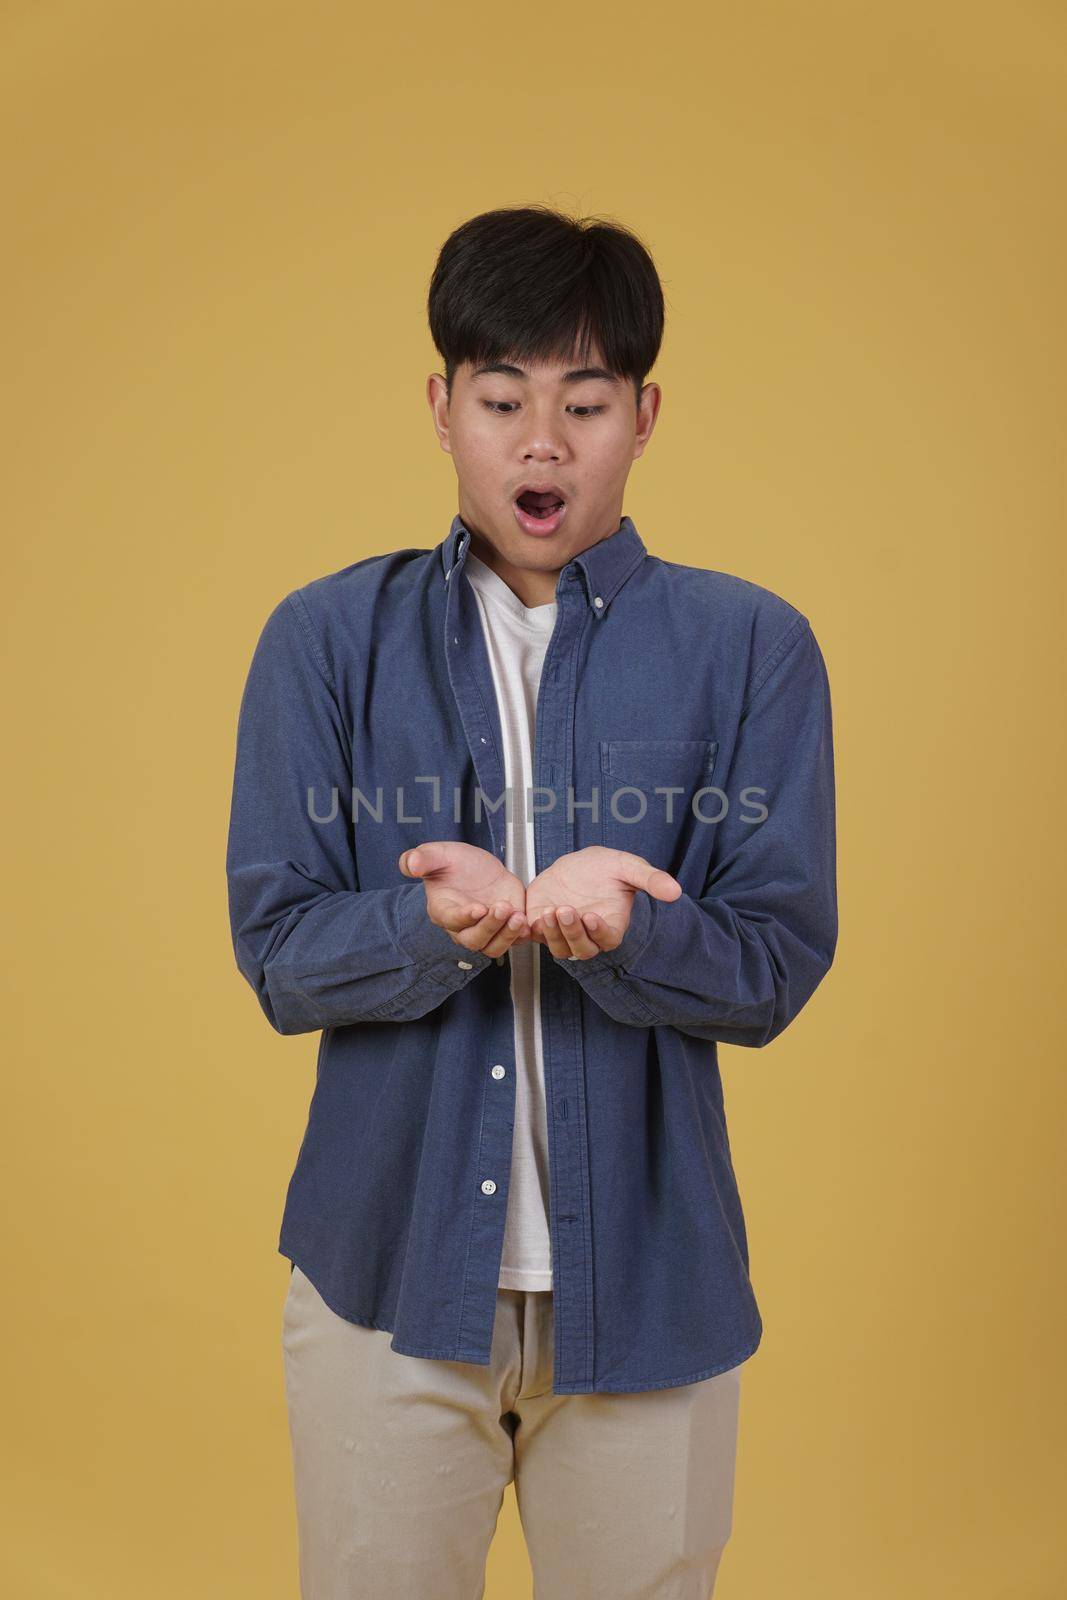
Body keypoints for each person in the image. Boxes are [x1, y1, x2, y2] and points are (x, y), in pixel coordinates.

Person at [225, 203, 838, 1599]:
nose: (542, 442)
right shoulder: (325, 642)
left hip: (656, 1300)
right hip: (381, 1283)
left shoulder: (752, 649)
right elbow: (275, 953)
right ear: (444, 407)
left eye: (585, 401)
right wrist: (429, 927)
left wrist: (632, 932)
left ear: (646, 411)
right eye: (503, 399)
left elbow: (775, 961)